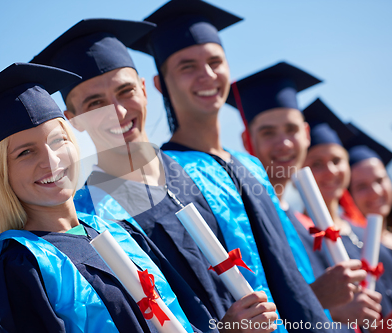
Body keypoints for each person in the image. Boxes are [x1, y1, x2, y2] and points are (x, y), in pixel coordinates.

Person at [31, 19, 279, 333]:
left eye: (126, 91)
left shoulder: (207, 172)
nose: (118, 112)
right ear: (73, 120)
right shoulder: (86, 222)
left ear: (145, 90)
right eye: (95, 103)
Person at [0, 63, 200, 333]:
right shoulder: (23, 268)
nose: (50, 161)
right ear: (3, 174)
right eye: (26, 152)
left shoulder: (121, 232)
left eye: (57, 141)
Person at [131, 0, 334, 329]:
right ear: (159, 84)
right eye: (187, 66)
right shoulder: (163, 175)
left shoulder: (251, 166)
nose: (207, 75)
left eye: (215, 62)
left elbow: (289, 270)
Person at [226, 62, 371, 323]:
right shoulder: (240, 221)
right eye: (268, 132)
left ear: (305, 135)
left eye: (291, 130)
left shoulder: (307, 226)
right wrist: (325, 308)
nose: (284, 144)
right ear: (248, 141)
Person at [302, 98, 392, 329]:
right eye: (317, 163)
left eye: (337, 160)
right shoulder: (299, 235)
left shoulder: (367, 234)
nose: (330, 171)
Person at [345, 122, 392, 287]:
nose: (375, 191)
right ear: (349, 195)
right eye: (361, 186)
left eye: (380, 180)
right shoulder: (356, 249)